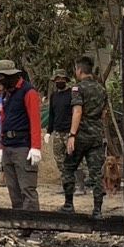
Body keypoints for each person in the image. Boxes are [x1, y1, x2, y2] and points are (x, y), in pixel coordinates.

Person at [0, 60, 42, 211]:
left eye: (1, 77)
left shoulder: (28, 92)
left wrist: (35, 147)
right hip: (8, 146)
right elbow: (4, 120)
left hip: (23, 147)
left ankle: (32, 222)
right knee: (13, 191)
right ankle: (19, 222)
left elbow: (35, 120)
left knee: (27, 189)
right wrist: (1, 147)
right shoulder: (7, 94)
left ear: (10, 76)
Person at [66, 57, 109, 219]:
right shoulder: (101, 89)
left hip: (81, 136)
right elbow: (104, 114)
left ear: (79, 70)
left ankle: (68, 205)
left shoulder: (77, 88)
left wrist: (72, 135)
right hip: (96, 136)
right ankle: (97, 210)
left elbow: (77, 111)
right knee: (96, 173)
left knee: (68, 168)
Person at [42, 69, 77, 212]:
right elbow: (51, 114)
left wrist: (74, 133)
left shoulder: (72, 94)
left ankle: (80, 185)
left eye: (62, 79)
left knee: (74, 160)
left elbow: (76, 113)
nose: (59, 81)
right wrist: (48, 131)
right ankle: (67, 186)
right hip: (57, 132)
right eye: (57, 79)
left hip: (69, 133)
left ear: (66, 80)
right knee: (60, 161)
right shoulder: (54, 96)